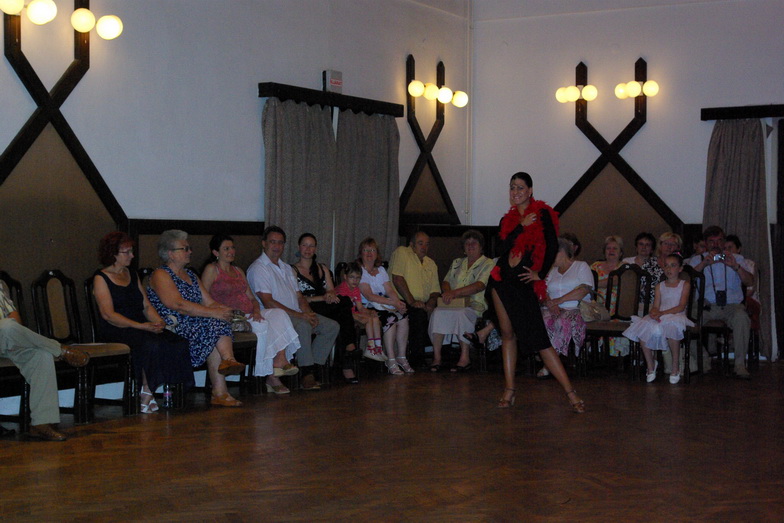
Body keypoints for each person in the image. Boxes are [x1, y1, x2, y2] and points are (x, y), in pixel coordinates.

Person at [486, 172, 584, 412]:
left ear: (530, 190)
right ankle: (509, 390)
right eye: (512, 187)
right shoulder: (508, 220)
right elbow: (501, 248)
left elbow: (551, 246)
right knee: (507, 335)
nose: (515, 192)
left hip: (522, 283)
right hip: (501, 281)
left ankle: (571, 393)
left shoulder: (542, 214)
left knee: (541, 340)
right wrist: (520, 226)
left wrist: (540, 274)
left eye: (520, 187)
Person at [93, 232, 194, 413]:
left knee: (177, 341)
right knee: (150, 343)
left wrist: (158, 322)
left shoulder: (131, 274)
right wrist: (141, 326)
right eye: (127, 252)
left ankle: (155, 389)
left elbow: (146, 306)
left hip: (139, 325)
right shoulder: (101, 278)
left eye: (131, 251)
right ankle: (147, 391)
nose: (132, 255)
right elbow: (108, 315)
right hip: (116, 328)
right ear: (113, 254)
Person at [147, 230, 245, 408]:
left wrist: (225, 310)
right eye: (185, 248)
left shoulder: (191, 275)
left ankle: (227, 367)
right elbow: (177, 304)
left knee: (218, 321)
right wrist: (213, 313)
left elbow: (209, 302)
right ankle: (223, 377)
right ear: (170, 253)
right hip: (173, 326)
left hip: (196, 321)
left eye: (189, 248)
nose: (190, 251)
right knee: (214, 322)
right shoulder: (161, 274)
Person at [202, 234, 300, 395]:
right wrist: (220, 310)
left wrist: (256, 310)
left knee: (279, 315)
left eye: (232, 248)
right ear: (215, 252)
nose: (231, 251)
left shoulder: (238, 271)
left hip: (248, 314)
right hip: (229, 317)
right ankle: (269, 375)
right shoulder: (212, 269)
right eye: (226, 249)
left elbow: (252, 298)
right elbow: (203, 297)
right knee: (263, 326)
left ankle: (280, 359)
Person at [246, 226, 339, 391]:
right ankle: (307, 374)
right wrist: (300, 316)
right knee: (303, 326)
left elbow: (299, 296)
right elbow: (267, 302)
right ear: (264, 243)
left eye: (280, 242)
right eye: (272, 242)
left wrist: (308, 313)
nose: (276, 246)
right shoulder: (258, 268)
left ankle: (313, 368)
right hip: (274, 316)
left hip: (296, 313)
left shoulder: (286, 268)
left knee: (331, 326)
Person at [0, 281, 89, 440]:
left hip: (7, 341)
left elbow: (14, 318)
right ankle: (60, 349)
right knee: (6, 326)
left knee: (41, 355)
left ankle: (41, 423)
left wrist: (16, 336)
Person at [292, 233, 359, 384]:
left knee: (343, 306)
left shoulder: (322, 268)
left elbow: (331, 290)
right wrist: (322, 297)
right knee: (344, 308)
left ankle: (340, 357)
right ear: (299, 247)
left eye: (311, 246)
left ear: (315, 249)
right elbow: (298, 298)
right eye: (305, 245)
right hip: (307, 307)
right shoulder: (293, 270)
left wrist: (329, 295)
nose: (308, 249)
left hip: (325, 307)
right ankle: (348, 352)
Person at [689, 226, 753, 379]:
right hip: (706, 305)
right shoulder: (697, 259)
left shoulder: (737, 258)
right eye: (711, 241)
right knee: (686, 322)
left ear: (724, 242)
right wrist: (703, 264)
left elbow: (750, 282)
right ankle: (703, 359)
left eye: (719, 241)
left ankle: (739, 364)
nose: (716, 244)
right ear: (706, 243)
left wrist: (736, 267)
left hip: (731, 305)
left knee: (742, 318)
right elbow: (687, 281)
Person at [428, 230, 494, 372]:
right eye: (467, 243)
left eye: (474, 243)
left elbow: (480, 285)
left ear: (481, 246)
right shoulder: (457, 262)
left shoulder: (488, 263)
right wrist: (447, 292)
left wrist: (454, 293)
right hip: (453, 303)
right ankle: (437, 357)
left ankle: (465, 358)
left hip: (475, 305)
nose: (470, 246)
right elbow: (446, 281)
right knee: (437, 312)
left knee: (461, 313)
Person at [623, 252, 693, 384]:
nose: (669, 269)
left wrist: (662, 313)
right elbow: (655, 306)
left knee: (673, 329)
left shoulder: (685, 285)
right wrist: (654, 313)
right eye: (666, 266)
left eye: (673, 265)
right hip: (662, 314)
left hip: (676, 315)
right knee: (643, 327)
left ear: (680, 268)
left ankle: (675, 366)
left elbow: (681, 306)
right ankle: (651, 365)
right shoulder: (660, 286)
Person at [536, 237, 593, 378]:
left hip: (575, 308)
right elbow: (543, 290)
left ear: (561, 252)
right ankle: (548, 359)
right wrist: (550, 303)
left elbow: (584, 290)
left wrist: (559, 301)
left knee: (562, 321)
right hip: (551, 308)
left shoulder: (581, 266)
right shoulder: (552, 271)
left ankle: (548, 364)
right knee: (542, 321)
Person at [357, 237, 411, 375]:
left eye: (372, 250)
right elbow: (369, 296)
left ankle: (401, 356)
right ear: (361, 253)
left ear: (377, 254)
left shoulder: (381, 270)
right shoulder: (360, 271)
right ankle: (390, 359)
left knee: (403, 316)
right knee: (391, 318)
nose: (369, 253)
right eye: (366, 250)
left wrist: (398, 303)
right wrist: (392, 303)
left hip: (384, 304)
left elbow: (389, 290)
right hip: (368, 307)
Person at [388, 231, 440, 367]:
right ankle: (417, 360)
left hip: (423, 303)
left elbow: (435, 290)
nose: (424, 247)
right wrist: (411, 301)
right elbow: (397, 279)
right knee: (418, 315)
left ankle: (440, 357)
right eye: (420, 243)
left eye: (427, 244)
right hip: (401, 300)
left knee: (440, 315)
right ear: (411, 245)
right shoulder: (402, 252)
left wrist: (431, 302)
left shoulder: (431, 263)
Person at [334, 261, 385, 377]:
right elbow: (344, 312)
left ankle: (377, 347)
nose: (355, 281)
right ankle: (370, 347)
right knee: (368, 320)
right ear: (345, 277)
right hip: (345, 316)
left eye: (358, 278)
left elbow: (360, 307)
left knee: (374, 318)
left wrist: (370, 312)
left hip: (354, 313)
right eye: (352, 277)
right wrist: (361, 316)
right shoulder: (342, 289)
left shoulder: (356, 289)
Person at [591, 235, 629, 357]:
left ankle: (614, 355)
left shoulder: (625, 267)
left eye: (615, 248)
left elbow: (615, 281)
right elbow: (585, 284)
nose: (611, 251)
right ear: (604, 251)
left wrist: (595, 284)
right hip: (596, 309)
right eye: (608, 248)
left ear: (621, 252)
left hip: (618, 310)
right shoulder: (595, 266)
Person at [641, 232, 683, 304]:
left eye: (672, 244)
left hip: (672, 304)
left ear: (678, 248)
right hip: (648, 303)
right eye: (666, 243)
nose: (669, 247)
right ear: (660, 246)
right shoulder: (648, 263)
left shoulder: (681, 266)